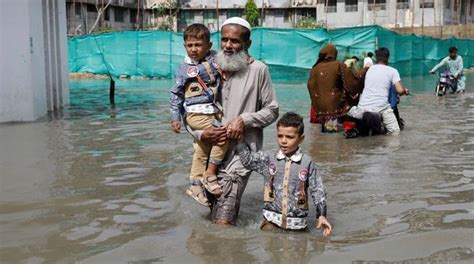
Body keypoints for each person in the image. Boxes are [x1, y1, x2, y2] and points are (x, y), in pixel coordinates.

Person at [187, 17, 279, 225]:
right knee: (213, 214)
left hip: (240, 153)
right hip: (207, 150)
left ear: (247, 44)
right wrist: (201, 134)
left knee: (223, 221)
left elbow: (272, 110)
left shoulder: (258, 70)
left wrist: (244, 120)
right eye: (225, 39)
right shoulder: (207, 69)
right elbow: (190, 110)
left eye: (235, 41)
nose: (228, 45)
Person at [235, 112, 332, 235]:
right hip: (270, 223)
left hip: (298, 226)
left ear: (301, 139)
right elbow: (248, 161)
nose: (283, 141)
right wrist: (240, 141)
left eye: (290, 137)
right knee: (271, 249)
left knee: (302, 251)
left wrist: (321, 215)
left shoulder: (307, 163)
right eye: (280, 136)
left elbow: (318, 191)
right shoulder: (269, 158)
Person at [170, 24, 227, 207]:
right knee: (223, 135)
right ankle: (210, 175)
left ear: (208, 45)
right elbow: (176, 94)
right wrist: (175, 118)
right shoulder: (183, 69)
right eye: (189, 45)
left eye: (198, 45)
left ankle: (195, 185)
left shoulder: (216, 59)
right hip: (196, 113)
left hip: (213, 111)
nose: (193, 49)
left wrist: (247, 60)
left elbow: (232, 60)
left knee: (201, 149)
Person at [347, 47, 409, 137]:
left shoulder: (368, 70)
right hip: (381, 108)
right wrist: (405, 91)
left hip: (362, 107)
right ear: (387, 58)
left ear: (376, 57)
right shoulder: (393, 71)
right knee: (396, 133)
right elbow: (399, 91)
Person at [307, 44, 367, 132]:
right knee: (331, 135)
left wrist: (318, 101)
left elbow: (310, 86)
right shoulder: (338, 65)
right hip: (333, 107)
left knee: (324, 132)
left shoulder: (315, 68)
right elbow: (352, 80)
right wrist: (364, 70)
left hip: (319, 108)